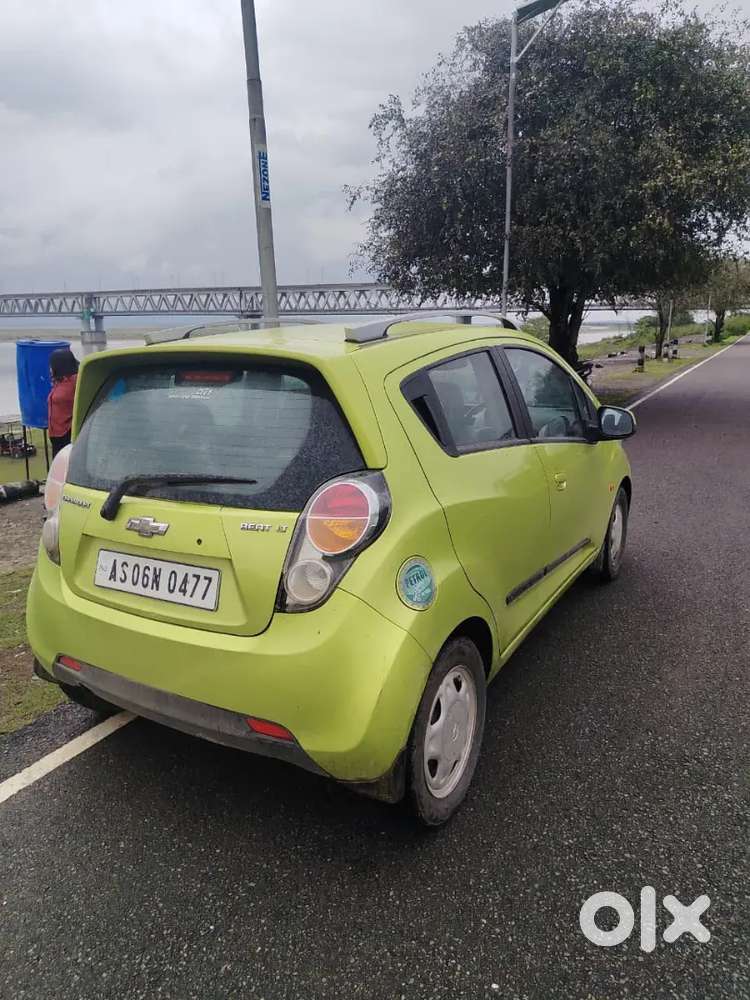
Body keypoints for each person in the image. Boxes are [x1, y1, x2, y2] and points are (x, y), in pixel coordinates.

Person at [48, 348, 79, 456]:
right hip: (55, 435)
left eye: (52, 365)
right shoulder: (59, 381)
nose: (50, 369)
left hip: (67, 434)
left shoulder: (75, 381)